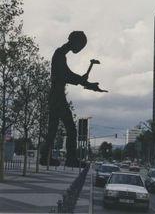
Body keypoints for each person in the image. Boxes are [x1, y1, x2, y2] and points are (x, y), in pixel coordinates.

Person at [40, 31, 106, 166]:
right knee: (70, 129)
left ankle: (45, 157)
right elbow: (67, 75)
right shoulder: (59, 54)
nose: (80, 49)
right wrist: (83, 81)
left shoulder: (61, 54)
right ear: (74, 41)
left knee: (53, 129)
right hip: (57, 96)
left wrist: (87, 83)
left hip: (57, 95)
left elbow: (68, 75)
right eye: (80, 46)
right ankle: (69, 159)